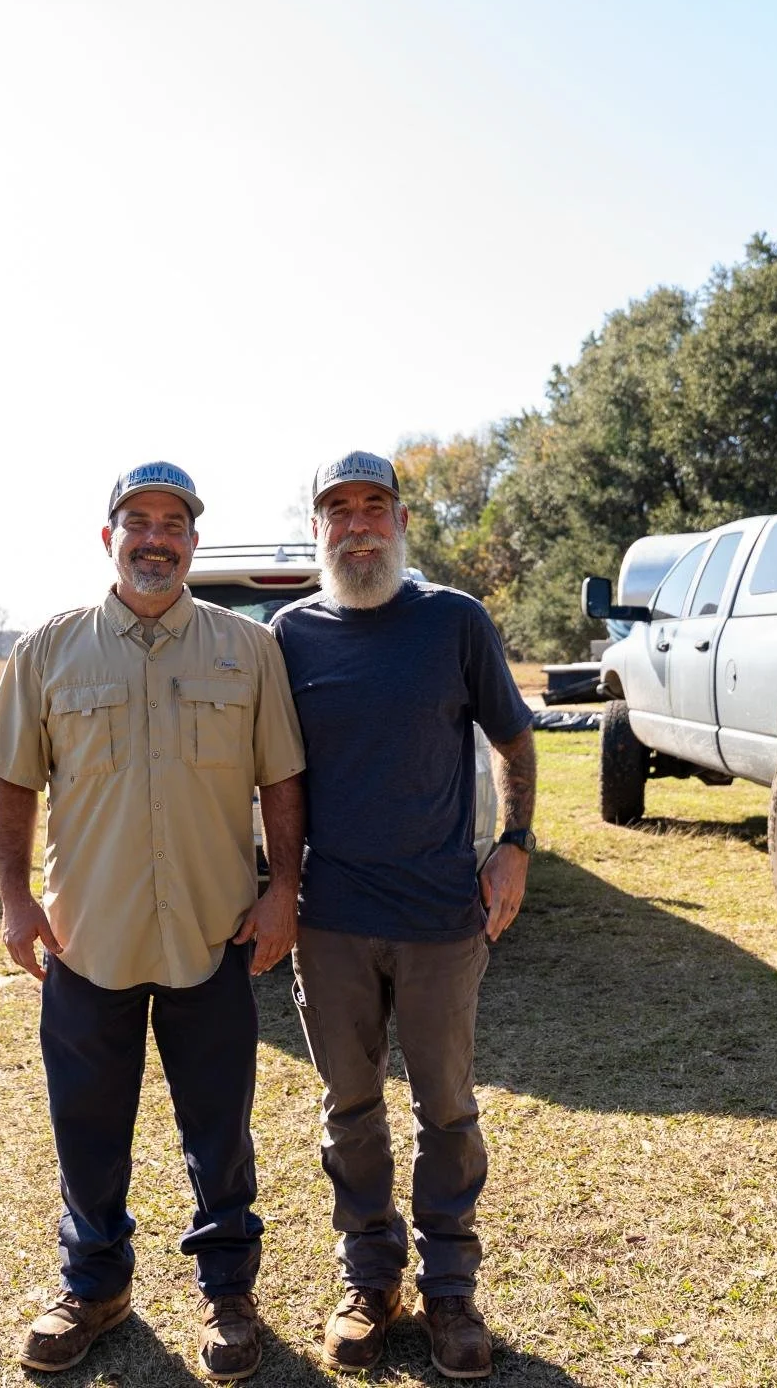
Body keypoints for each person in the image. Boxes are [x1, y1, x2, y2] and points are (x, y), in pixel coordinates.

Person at [0, 461, 306, 1381]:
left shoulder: (248, 650)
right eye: (139, 522)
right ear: (109, 537)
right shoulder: (48, 650)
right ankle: (93, 1284)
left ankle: (228, 1292)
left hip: (214, 933)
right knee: (86, 1126)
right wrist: (15, 902)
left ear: (193, 542)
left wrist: (283, 889)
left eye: (173, 524)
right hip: (88, 937)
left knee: (220, 1129)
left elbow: (282, 777)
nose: (155, 538)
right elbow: (11, 781)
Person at [269, 450, 537, 1380]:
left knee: (448, 1111)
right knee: (349, 1108)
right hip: (330, 920)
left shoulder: (454, 620)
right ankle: (371, 1280)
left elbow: (512, 736)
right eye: (338, 510)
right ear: (318, 530)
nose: (358, 525)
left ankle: (451, 1289)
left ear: (402, 520)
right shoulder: (290, 636)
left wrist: (514, 841)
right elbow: (270, 775)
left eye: (373, 506)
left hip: (439, 920)